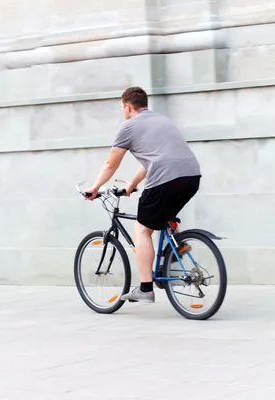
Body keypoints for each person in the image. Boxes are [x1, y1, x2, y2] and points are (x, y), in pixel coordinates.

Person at [84, 87, 201, 303]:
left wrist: (95, 187)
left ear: (127, 106)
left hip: (166, 179)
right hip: (192, 176)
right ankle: (177, 244)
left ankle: (146, 288)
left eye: (123, 108)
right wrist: (132, 185)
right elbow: (154, 161)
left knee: (142, 229)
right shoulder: (163, 121)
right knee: (164, 212)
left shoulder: (128, 127)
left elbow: (111, 163)